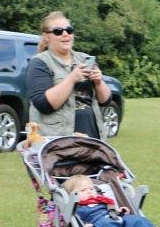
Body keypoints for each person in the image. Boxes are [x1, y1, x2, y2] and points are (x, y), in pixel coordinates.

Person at [27, 11, 112, 139]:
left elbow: (105, 101)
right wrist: (71, 79)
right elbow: (44, 104)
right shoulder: (39, 63)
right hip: (59, 140)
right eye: (58, 31)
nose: (65, 34)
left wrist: (99, 82)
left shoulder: (85, 59)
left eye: (69, 30)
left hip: (92, 134)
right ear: (46, 36)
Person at [63, 175, 159, 227]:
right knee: (104, 224)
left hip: (114, 217)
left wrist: (120, 212)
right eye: (83, 190)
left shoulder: (103, 200)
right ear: (72, 196)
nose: (89, 192)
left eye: (91, 189)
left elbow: (112, 209)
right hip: (98, 223)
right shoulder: (77, 206)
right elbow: (80, 222)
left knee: (136, 219)